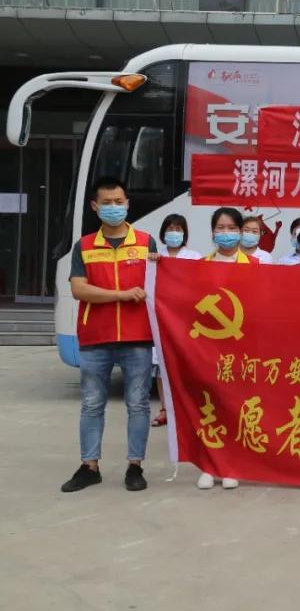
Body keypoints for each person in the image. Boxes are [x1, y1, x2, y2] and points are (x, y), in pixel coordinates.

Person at [61, 177, 155, 493]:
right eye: (106, 203)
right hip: (95, 338)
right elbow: (78, 289)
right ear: (95, 206)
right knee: (91, 404)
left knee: (138, 404)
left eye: (118, 202)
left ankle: (135, 466)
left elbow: (159, 285)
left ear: (127, 204)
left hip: (137, 337)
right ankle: (89, 467)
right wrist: (121, 295)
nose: (113, 207)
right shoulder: (85, 246)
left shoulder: (146, 243)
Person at [196, 207, 262, 491]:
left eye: (232, 228)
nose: (226, 233)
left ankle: (232, 465)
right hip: (208, 346)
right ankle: (209, 465)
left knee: (236, 404)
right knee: (209, 404)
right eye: (220, 228)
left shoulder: (255, 265)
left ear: (241, 231)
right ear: (212, 232)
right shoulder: (200, 265)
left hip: (242, 346)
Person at [150, 213, 202, 427]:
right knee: (161, 367)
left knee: (185, 367)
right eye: (170, 228)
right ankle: (164, 409)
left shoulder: (194, 256)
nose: (174, 232)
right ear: (163, 232)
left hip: (186, 319)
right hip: (162, 318)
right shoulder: (156, 257)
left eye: (178, 229)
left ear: (185, 233)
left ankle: (186, 412)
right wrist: (152, 261)